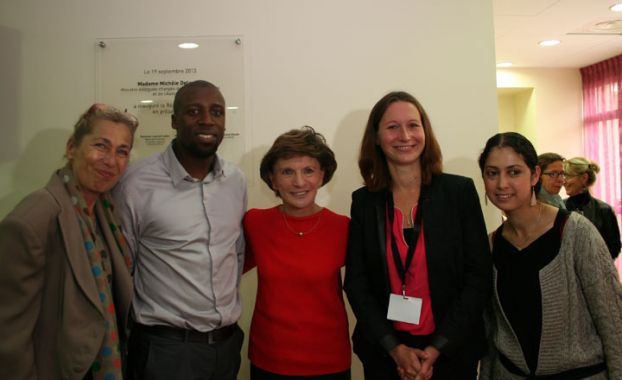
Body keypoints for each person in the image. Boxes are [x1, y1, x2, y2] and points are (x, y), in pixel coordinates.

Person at [344, 91, 492, 380]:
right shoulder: (364, 202)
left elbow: (479, 277)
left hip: (452, 351)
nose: (405, 135)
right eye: (392, 127)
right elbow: (357, 283)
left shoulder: (458, 193)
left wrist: (437, 348)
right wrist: (394, 348)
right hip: (386, 354)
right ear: (376, 137)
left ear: (425, 131)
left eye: (413, 125)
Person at [113, 80, 247, 380]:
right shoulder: (136, 183)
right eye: (193, 111)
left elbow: (235, 254)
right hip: (165, 351)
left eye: (216, 112)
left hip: (226, 346)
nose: (207, 120)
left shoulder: (235, 180)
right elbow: (121, 268)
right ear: (174, 120)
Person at [0, 104, 137, 380]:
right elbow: (8, 338)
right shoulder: (33, 219)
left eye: (122, 151)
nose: (111, 161)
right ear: (72, 147)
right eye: (101, 145)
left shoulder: (105, 213)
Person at [478, 132, 622, 379]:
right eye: (492, 173)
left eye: (514, 172)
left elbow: (613, 323)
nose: (502, 184)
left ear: (534, 175)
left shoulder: (577, 233)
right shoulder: (491, 246)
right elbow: (492, 334)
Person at [243, 126, 351, 379]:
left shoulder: (344, 228)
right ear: (272, 178)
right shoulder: (255, 223)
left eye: (309, 170)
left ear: (322, 175)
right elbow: (222, 272)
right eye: (287, 171)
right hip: (269, 360)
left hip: (329, 362)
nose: (299, 182)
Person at [564, 157, 621, 259]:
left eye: (568, 176)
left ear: (584, 178)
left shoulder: (604, 210)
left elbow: (614, 247)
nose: (564, 181)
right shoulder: (559, 208)